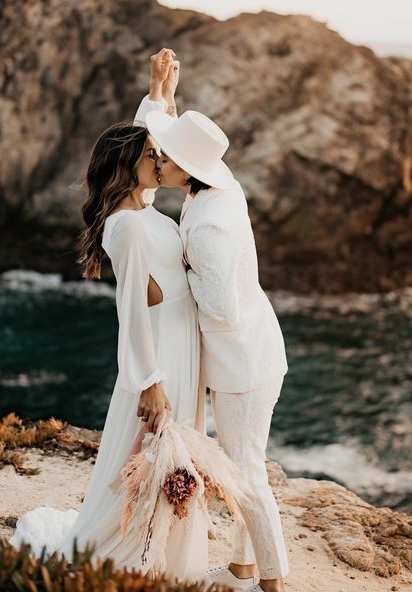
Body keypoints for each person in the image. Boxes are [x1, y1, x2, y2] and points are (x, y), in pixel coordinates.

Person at [9, 49, 209, 583]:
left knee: (170, 463)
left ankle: (159, 556)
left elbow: (148, 131)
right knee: (149, 465)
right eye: (151, 154)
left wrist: (160, 90)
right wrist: (149, 380)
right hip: (161, 354)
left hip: (179, 347)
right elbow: (131, 311)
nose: (161, 158)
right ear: (130, 166)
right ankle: (130, 559)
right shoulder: (128, 226)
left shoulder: (139, 205)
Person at [143, 100, 290, 592]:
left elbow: (221, 306)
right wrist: (161, 94)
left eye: (165, 154)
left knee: (246, 473)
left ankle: (273, 584)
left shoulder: (207, 225)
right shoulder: (217, 187)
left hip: (242, 362)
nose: (157, 157)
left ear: (188, 168)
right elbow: (181, 144)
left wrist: (180, 269)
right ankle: (242, 569)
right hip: (259, 346)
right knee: (245, 462)